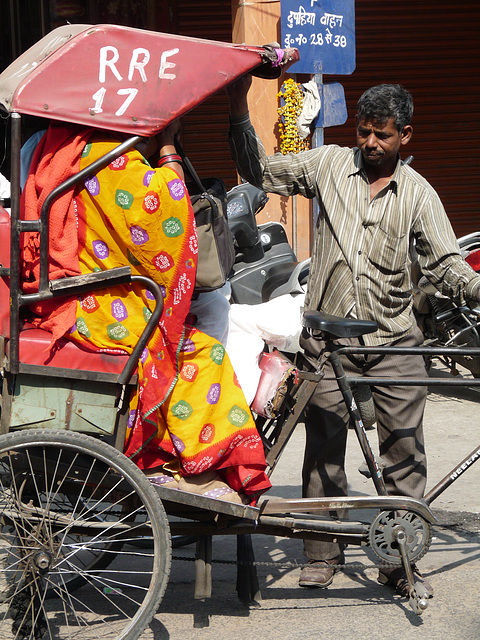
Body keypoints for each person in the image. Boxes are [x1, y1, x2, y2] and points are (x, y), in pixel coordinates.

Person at [227, 79, 480, 595]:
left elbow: (447, 263)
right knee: (322, 447)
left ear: (404, 135)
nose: (370, 143)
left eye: (382, 135)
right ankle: (322, 552)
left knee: (404, 450)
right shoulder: (327, 167)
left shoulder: (419, 194)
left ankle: (400, 560)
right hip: (328, 339)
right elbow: (260, 172)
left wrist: (475, 289)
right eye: (363, 132)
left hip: (394, 341)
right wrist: (237, 111)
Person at [20, 119, 271, 503]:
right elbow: (163, 216)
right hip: (95, 304)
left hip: (85, 290)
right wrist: (169, 151)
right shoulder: (109, 154)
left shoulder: (65, 145)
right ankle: (174, 462)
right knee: (202, 353)